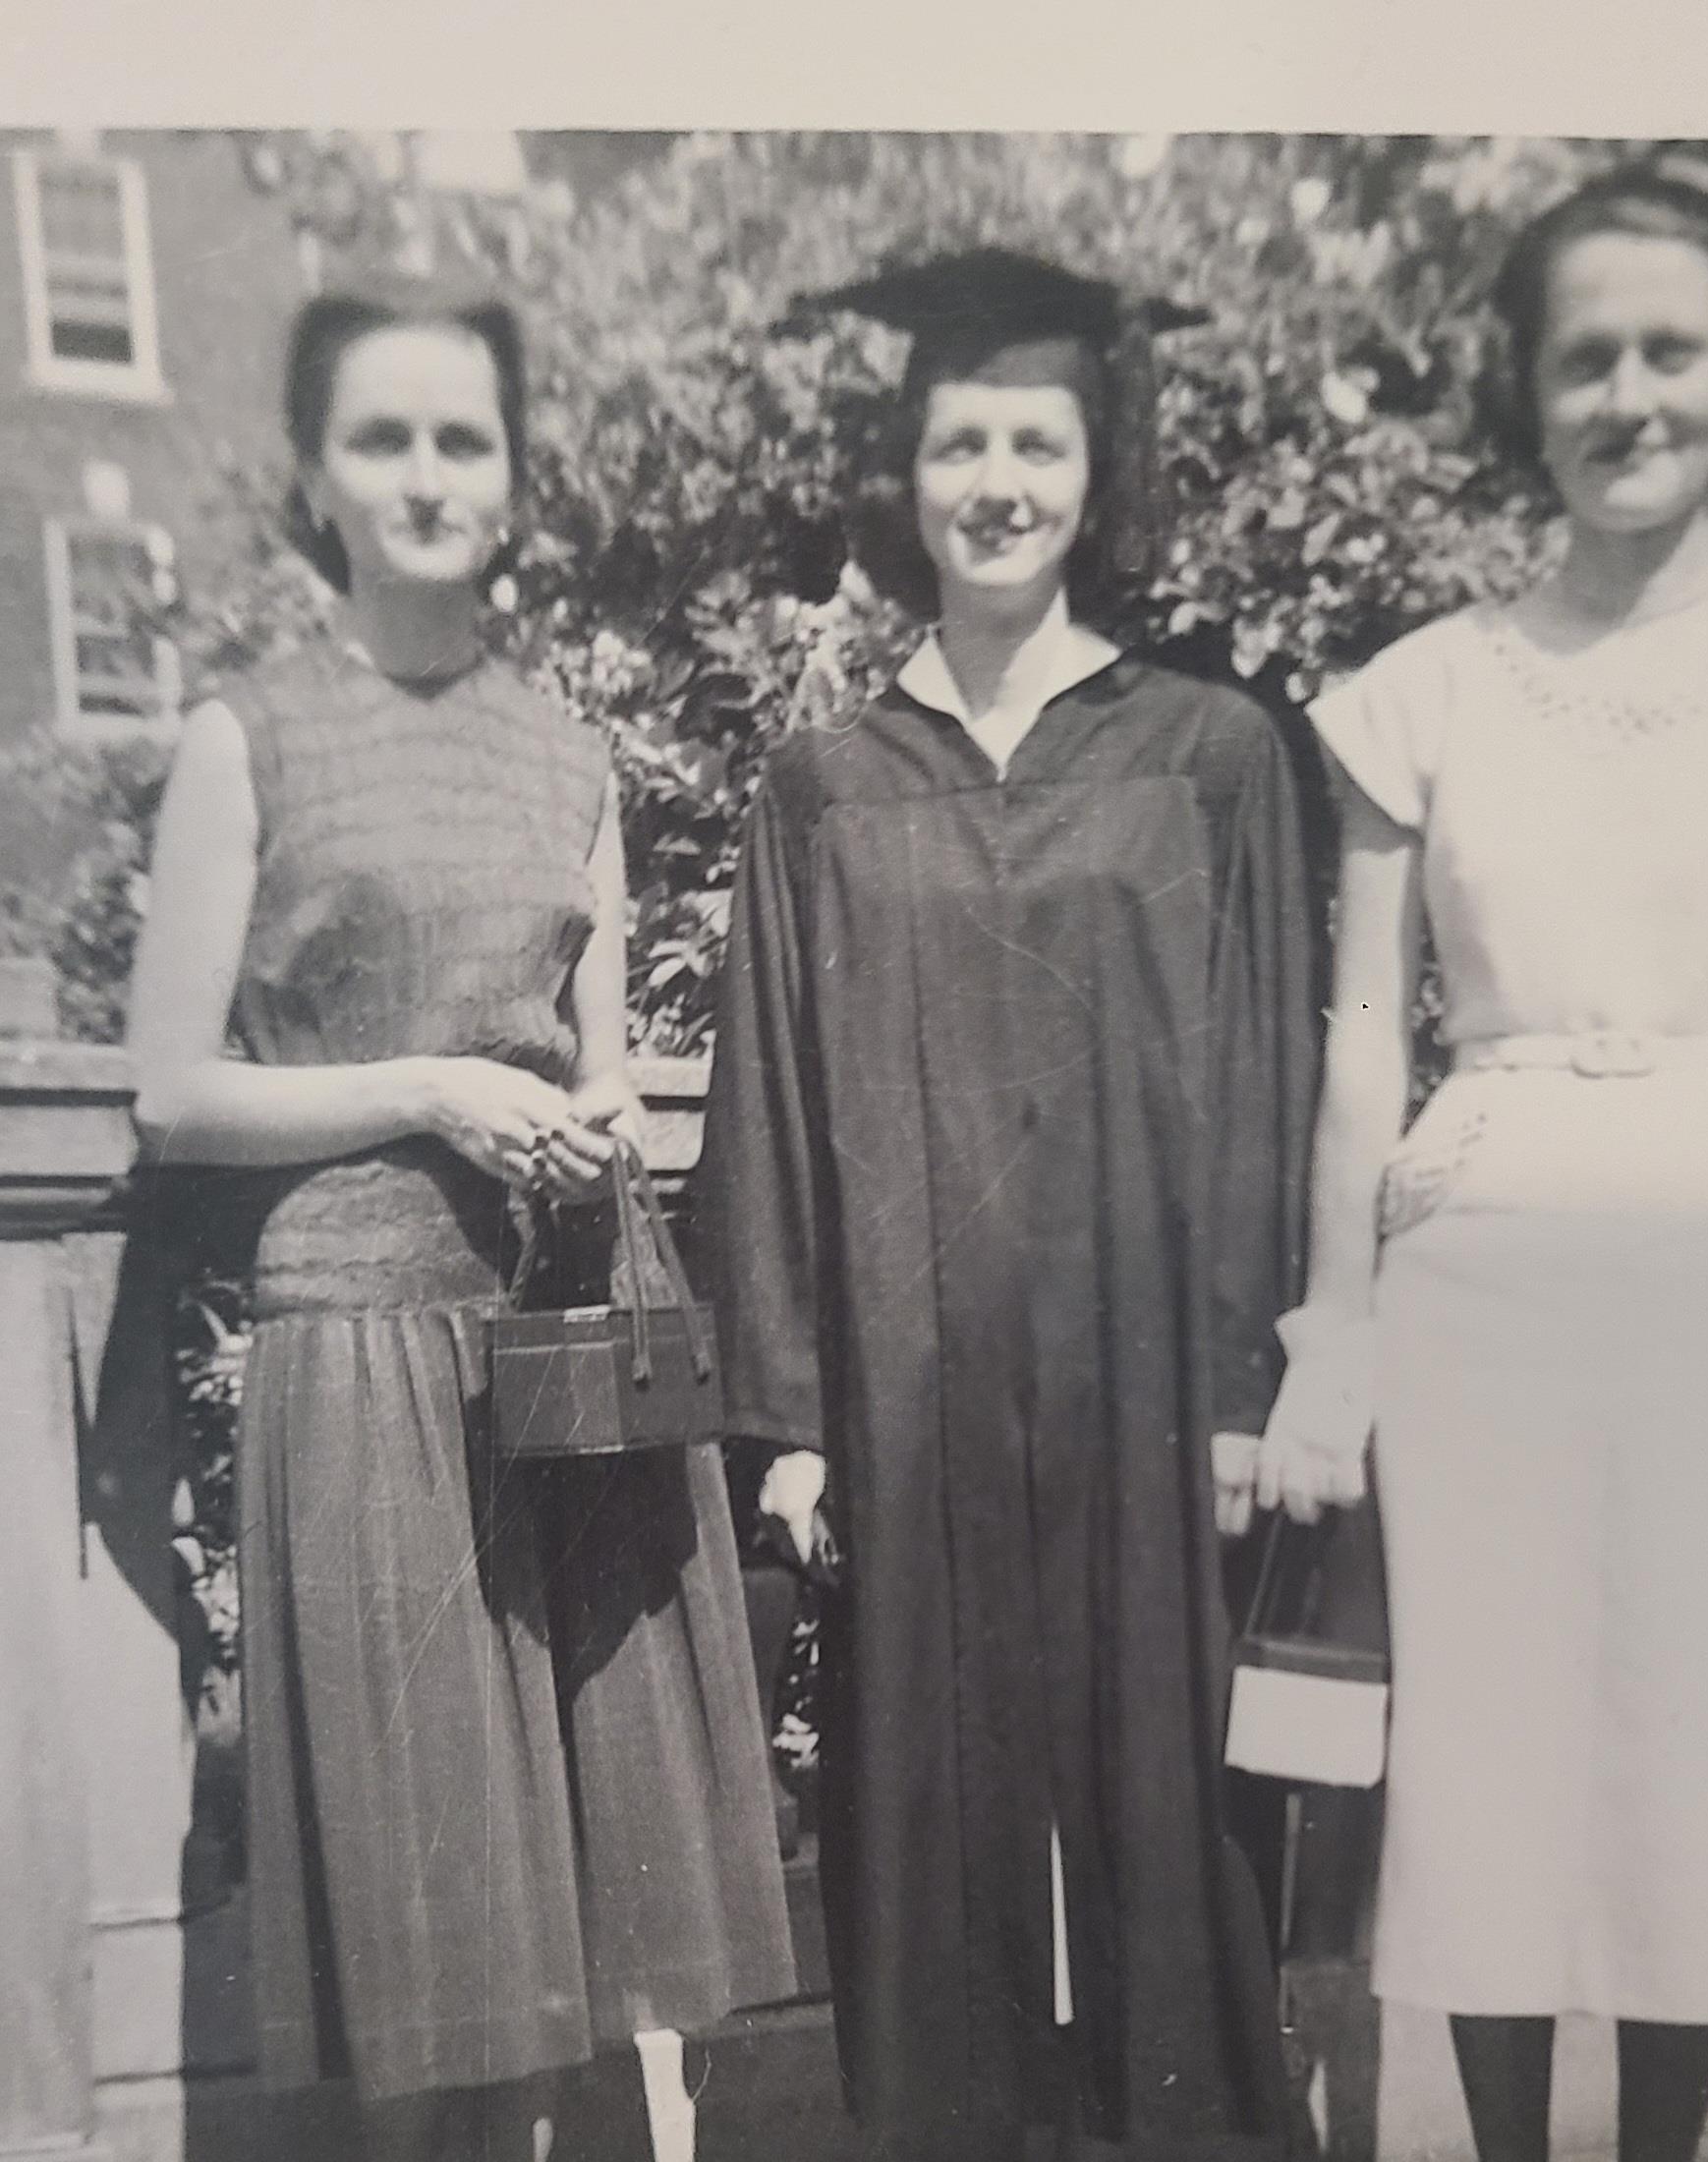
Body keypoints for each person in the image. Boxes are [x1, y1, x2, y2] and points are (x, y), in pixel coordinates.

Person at [1249, 166, 1708, 2162]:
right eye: (1583, 356)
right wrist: (1336, 1325)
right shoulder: (1423, 689)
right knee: (1482, 1785)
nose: (1626, 393)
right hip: (1479, 1285)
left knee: (1681, 1778)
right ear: (1523, 389)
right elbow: (1364, 1032)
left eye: (1670, 346)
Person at [126, 273, 795, 2162]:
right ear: (317, 478)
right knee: (434, 1940)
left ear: (511, 475)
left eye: (461, 438)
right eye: (382, 438)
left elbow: (597, 1071)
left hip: (563, 1369)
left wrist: (584, 1130)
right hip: (357, 1364)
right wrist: (427, 1091)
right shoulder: (242, 742)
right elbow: (173, 1094)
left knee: (577, 1932)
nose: (426, 476)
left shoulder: (569, 753)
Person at [705, 248, 1319, 2161]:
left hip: (1148, 1386)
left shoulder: (1206, 750)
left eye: (1031, 438)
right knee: (923, 1809)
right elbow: (775, 1096)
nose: (992, 475)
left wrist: (1242, 1381)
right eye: (956, 436)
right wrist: (790, 1418)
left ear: (1088, 469)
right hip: (911, 1383)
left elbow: (1263, 1089)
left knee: (1165, 1811)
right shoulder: (820, 785)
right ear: (903, 473)